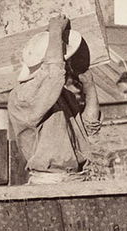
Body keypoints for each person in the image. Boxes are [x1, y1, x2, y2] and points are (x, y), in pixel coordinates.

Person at [9, 15, 99, 185]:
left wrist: (90, 86)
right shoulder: (22, 96)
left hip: (77, 179)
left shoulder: (63, 95)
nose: (67, 66)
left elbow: (90, 127)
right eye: (66, 61)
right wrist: (55, 31)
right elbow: (54, 72)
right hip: (49, 183)